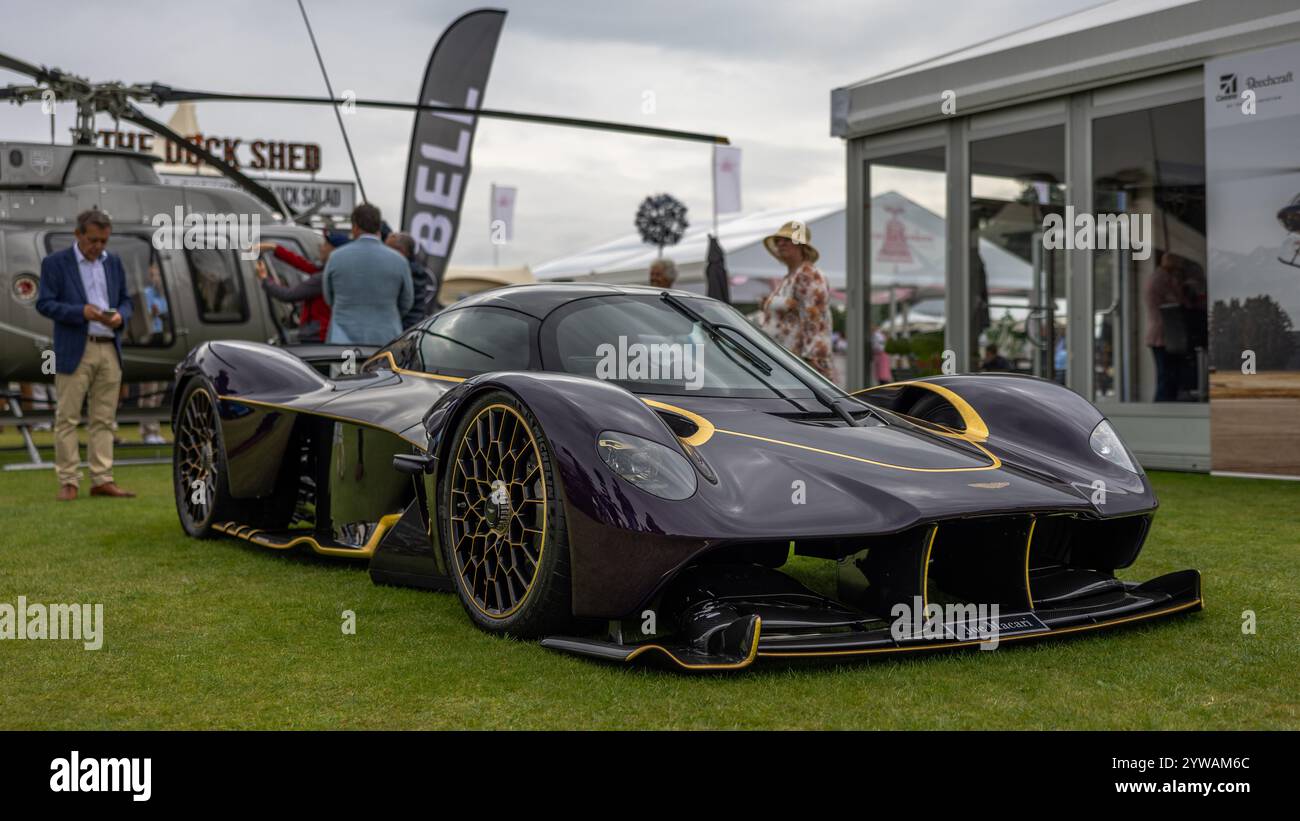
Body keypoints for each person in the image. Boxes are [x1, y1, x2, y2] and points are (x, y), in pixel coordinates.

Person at [35, 209, 135, 500]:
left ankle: (102, 478)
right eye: (93, 240)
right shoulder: (55, 263)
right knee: (67, 417)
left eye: (104, 241)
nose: (99, 247)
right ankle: (69, 480)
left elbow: (126, 300)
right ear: (78, 235)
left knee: (104, 418)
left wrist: (121, 317)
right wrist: (80, 312)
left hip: (109, 346)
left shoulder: (113, 263)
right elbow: (44, 304)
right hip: (75, 346)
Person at [322, 203, 412, 345]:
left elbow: (329, 297)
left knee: (347, 368)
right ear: (378, 227)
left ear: (355, 226)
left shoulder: (335, 257)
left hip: (343, 342)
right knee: (380, 368)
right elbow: (406, 302)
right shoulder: (400, 261)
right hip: (385, 340)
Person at [758, 221, 835, 381]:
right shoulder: (790, 277)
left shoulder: (809, 274)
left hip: (800, 368)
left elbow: (815, 320)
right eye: (778, 240)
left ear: (801, 246)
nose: (780, 243)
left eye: (787, 240)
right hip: (786, 364)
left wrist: (813, 364)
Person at [252, 235, 341, 343]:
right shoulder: (330, 271)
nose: (321, 248)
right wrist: (274, 248)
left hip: (316, 336)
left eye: (325, 245)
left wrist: (265, 279)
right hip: (318, 332)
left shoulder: (322, 278)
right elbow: (305, 265)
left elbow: (289, 295)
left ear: (334, 251)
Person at [385, 231, 439, 326]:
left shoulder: (413, 272)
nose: (383, 252)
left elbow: (410, 306)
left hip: (405, 329)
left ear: (401, 251)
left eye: (387, 249)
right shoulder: (413, 269)